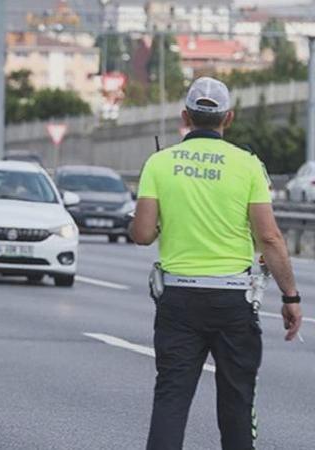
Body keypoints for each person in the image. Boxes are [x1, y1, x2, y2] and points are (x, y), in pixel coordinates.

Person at [131, 76, 303, 450]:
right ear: (228, 119)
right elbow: (270, 238)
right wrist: (290, 296)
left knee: (171, 401)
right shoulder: (247, 166)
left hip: (178, 299)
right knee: (237, 403)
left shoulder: (160, 163)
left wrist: (159, 218)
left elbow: (142, 234)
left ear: (185, 117)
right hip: (232, 302)